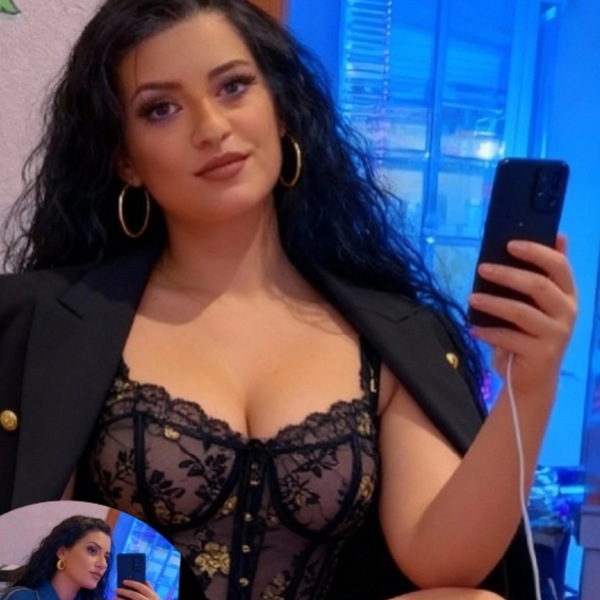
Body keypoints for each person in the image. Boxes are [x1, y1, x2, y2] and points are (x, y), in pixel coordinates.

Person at [0, 0, 577, 599]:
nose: (211, 127)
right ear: (126, 160)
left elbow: (444, 562)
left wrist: (532, 384)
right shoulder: (51, 325)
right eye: (161, 108)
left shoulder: (393, 335)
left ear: (281, 110)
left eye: (233, 87)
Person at [0, 515, 112, 600]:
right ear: (62, 552)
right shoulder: (21, 597)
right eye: (92, 550)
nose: (103, 564)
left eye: (106, 557)